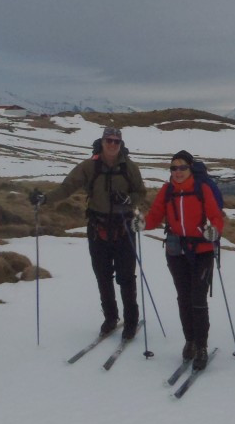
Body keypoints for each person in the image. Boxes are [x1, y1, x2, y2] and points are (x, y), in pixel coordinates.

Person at [29, 127, 146, 340]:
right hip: (97, 228)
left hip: (124, 229)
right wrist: (44, 199)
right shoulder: (88, 167)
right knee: (103, 276)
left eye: (116, 141)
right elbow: (67, 188)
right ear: (101, 142)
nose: (112, 144)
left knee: (126, 277)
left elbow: (141, 192)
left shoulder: (130, 168)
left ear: (121, 144)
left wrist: (130, 200)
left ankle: (131, 321)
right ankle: (110, 318)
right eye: (108, 140)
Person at [141, 150, 224, 370]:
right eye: (173, 168)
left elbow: (216, 215)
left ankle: (201, 345)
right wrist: (142, 224)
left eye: (182, 167)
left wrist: (215, 231)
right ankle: (190, 340)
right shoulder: (167, 190)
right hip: (176, 250)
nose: (177, 172)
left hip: (202, 249)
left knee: (198, 297)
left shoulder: (201, 188)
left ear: (190, 169)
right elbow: (156, 214)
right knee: (184, 297)